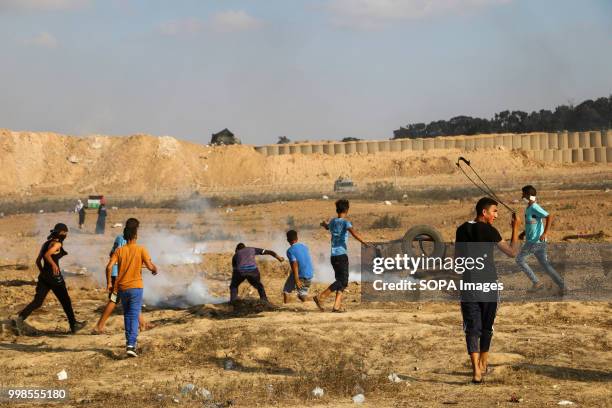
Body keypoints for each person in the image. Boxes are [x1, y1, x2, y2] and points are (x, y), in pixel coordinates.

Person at [455, 197, 520, 384]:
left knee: (471, 328)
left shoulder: (461, 230)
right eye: (494, 212)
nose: (496, 216)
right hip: (489, 284)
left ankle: (477, 369)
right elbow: (512, 252)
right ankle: (483, 362)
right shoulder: (490, 231)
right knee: (486, 325)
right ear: (484, 212)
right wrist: (516, 227)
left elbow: (457, 261)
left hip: (468, 285)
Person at [12, 223, 86, 335]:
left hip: (44, 277)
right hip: (55, 278)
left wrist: (43, 273)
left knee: (37, 302)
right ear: (62, 233)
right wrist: (54, 265)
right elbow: (47, 256)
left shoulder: (46, 243)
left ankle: (19, 319)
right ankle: (74, 324)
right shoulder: (57, 244)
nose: (66, 235)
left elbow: (38, 261)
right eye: (65, 233)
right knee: (66, 301)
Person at [106, 220, 158, 357]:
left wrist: (109, 283)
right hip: (136, 287)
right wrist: (154, 269)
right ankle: (131, 345)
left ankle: (129, 343)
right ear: (135, 235)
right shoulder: (141, 249)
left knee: (128, 315)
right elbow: (149, 265)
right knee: (134, 315)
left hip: (122, 288)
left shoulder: (119, 250)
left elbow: (109, 266)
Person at [93, 218, 149, 334]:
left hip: (120, 274)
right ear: (135, 228)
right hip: (118, 274)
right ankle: (99, 326)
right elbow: (116, 256)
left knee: (132, 299)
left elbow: (112, 254)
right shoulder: (126, 240)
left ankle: (142, 324)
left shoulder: (122, 238)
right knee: (114, 300)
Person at [313, 199, 369, 312]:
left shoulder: (333, 221)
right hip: (341, 255)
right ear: (347, 210)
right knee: (343, 281)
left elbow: (327, 226)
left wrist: (323, 224)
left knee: (341, 281)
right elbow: (354, 233)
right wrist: (365, 243)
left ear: (337, 209)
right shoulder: (345, 223)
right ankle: (321, 296)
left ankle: (336, 306)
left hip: (334, 256)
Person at [516, 185, 565, 293]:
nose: (522, 196)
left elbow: (549, 216)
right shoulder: (529, 207)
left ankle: (536, 282)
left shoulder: (534, 207)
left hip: (535, 242)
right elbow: (532, 223)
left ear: (528, 195)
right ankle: (562, 285)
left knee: (519, 259)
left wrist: (545, 233)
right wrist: (523, 233)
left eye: (523, 194)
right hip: (535, 242)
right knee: (545, 265)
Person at [283, 230, 314, 303]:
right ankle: (286, 307)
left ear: (287, 240)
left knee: (299, 295)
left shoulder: (290, 251)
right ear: (297, 238)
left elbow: (294, 264)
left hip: (300, 275)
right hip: (309, 273)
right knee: (288, 290)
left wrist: (297, 280)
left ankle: (311, 303)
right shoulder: (304, 246)